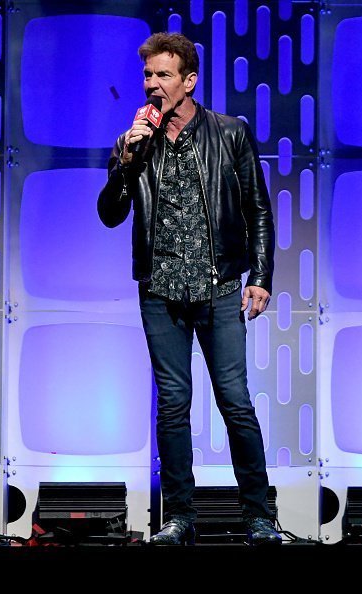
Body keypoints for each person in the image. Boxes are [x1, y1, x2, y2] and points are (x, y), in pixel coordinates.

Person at [97, 32, 281, 546]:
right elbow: (110, 214)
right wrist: (129, 161)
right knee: (173, 405)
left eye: (164, 75)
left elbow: (258, 208)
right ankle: (179, 516)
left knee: (235, 402)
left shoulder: (228, 133)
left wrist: (261, 276)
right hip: (160, 291)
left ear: (189, 81)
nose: (153, 85)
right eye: (148, 76)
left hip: (219, 286)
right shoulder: (133, 140)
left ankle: (258, 516)